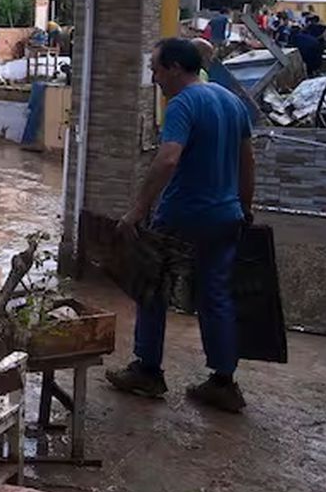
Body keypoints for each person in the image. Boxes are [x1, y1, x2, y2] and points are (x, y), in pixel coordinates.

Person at [106, 38, 254, 413]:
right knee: (215, 296)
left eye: (155, 69)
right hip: (225, 216)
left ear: (174, 67)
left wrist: (137, 211)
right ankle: (223, 381)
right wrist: (244, 209)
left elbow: (168, 159)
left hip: (183, 216)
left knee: (152, 289)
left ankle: (148, 370)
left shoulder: (182, 104)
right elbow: (247, 161)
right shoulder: (229, 100)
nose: (154, 78)